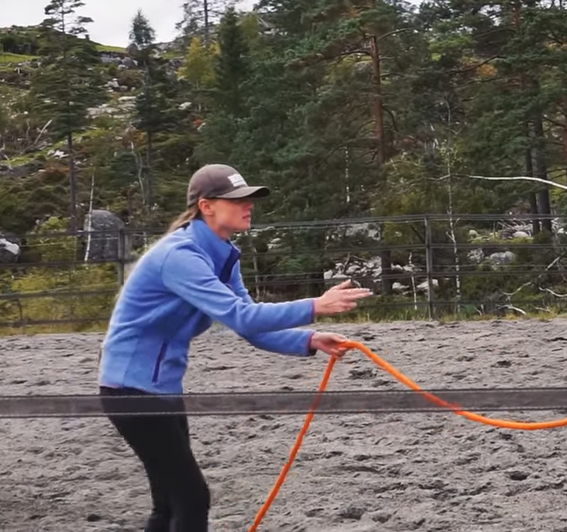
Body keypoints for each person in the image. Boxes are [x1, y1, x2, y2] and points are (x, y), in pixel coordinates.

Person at [97, 163, 372, 532]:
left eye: (250, 199)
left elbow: (250, 328)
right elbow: (241, 316)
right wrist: (314, 306)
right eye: (238, 199)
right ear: (207, 206)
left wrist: (308, 339)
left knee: (169, 502)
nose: (249, 205)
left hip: (159, 387)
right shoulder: (181, 255)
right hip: (131, 389)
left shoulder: (223, 255)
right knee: (191, 499)